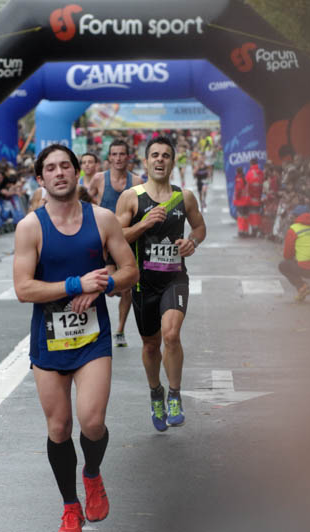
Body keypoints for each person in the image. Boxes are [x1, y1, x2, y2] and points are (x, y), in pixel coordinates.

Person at [14, 144, 138, 532]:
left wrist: (103, 285)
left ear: (77, 172)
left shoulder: (102, 219)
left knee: (92, 422)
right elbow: (23, 289)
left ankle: (93, 474)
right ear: (41, 179)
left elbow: (130, 269)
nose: (59, 173)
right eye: (51, 168)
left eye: (65, 166)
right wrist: (74, 285)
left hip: (92, 337)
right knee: (58, 428)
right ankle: (70, 505)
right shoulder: (30, 227)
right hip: (49, 339)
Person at [116, 135, 206, 432]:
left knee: (171, 335)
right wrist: (144, 224)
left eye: (165, 155)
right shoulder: (131, 197)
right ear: (146, 161)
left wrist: (192, 242)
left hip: (174, 278)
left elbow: (199, 227)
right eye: (154, 155)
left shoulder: (184, 197)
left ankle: (175, 394)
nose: (160, 160)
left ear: (172, 162)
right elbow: (116, 236)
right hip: (143, 283)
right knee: (151, 345)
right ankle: (156, 391)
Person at [87, 139, 142, 348]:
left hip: (127, 240)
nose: (118, 158)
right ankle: (95, 325)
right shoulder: (99, 179)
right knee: (109, 287)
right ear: (109, 157)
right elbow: (83, 201)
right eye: (114, 154)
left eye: (122, 154)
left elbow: (143, 207)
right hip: (103, 242)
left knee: (127, 288)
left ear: (128, 157)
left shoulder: (136, 181)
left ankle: (119, 330)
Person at [279, 205, 310, 302]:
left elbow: (287, 255)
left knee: (283, 265)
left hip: (304, 268)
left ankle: (302, 287)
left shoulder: (294, 229)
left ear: (297, 217)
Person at [246, 157, 265, 237]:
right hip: (260, 198)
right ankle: (258, 230)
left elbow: (247, 187)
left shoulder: (249, 173)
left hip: (252, 199)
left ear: (251, 164)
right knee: (258, 214)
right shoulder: (261, 172)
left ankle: (254, 231)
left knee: (253, 214)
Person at [233, 167, 249, 237]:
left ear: (237, 172)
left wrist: (236, 198)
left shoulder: (239, 179)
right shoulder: (244, 178)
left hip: (240, 201)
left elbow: (238, 190)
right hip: (246, 201)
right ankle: (245, 231)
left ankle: (241, 231)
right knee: (245, 217)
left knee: (240, 217)